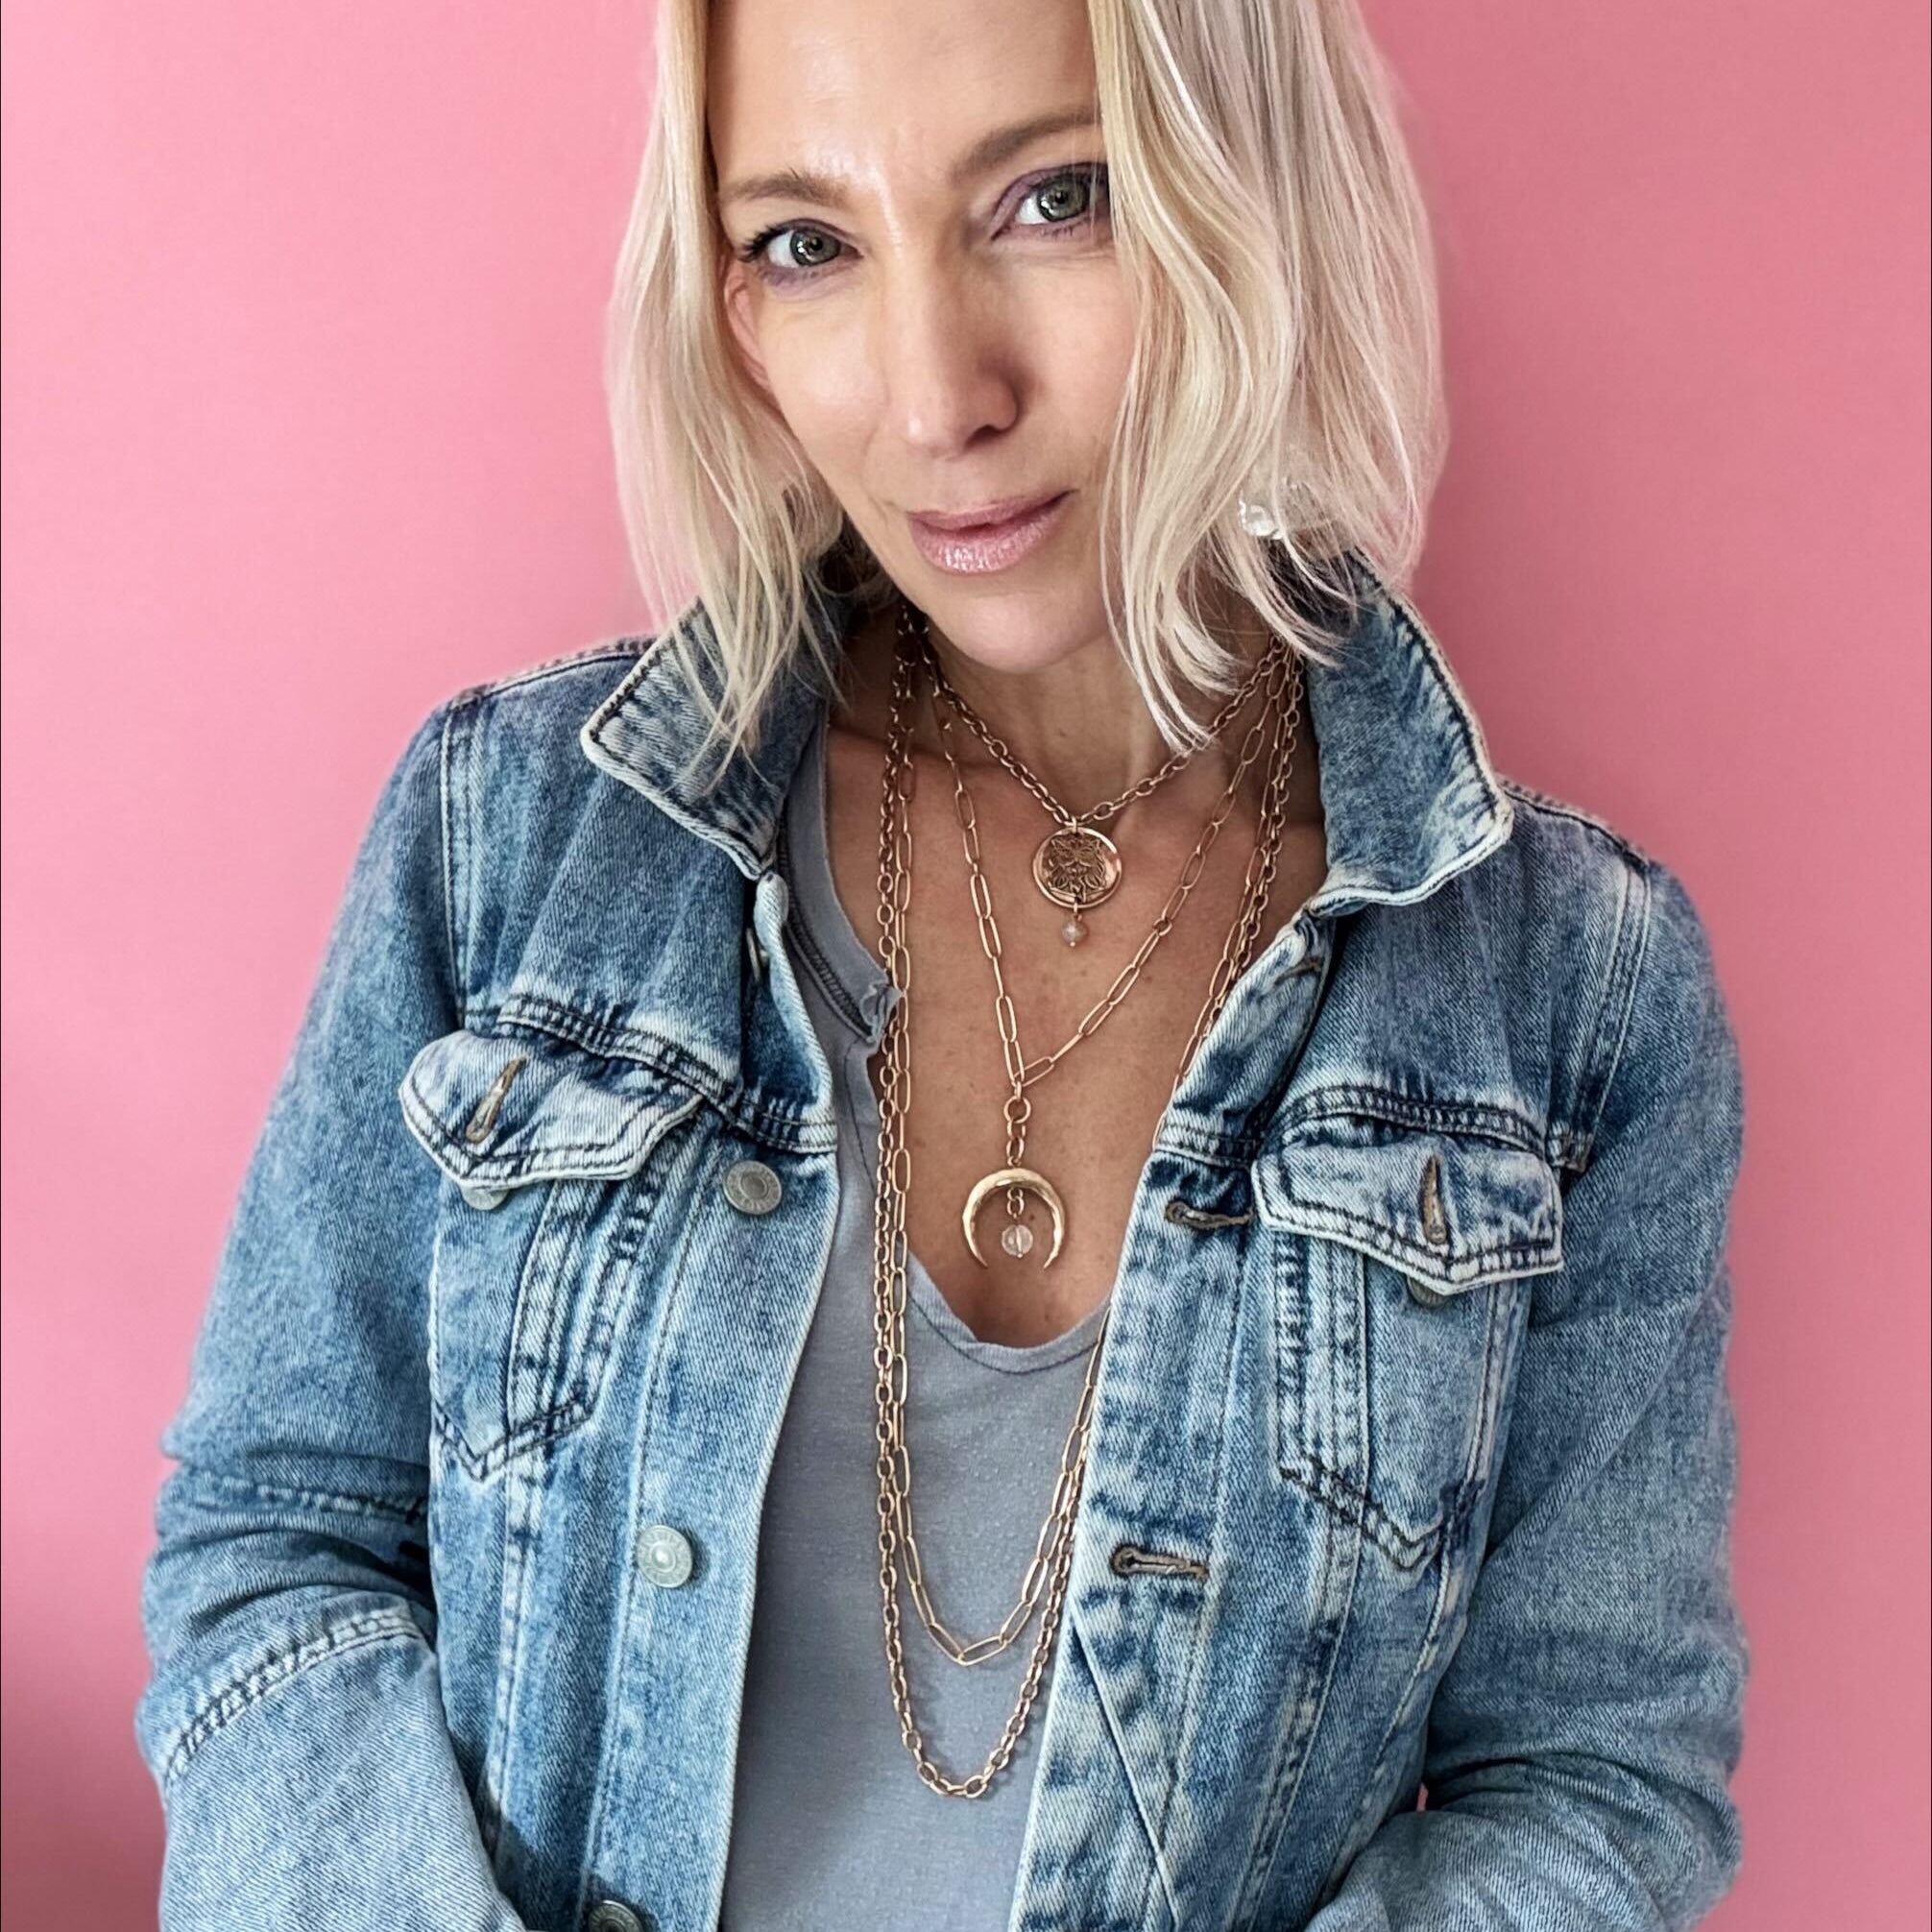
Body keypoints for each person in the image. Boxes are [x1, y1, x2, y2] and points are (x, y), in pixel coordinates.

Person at [134, 0, 1748, 1925]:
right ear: (725, 301)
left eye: (1054, 198)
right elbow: (272, 1550)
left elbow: (1589, 1776)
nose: (931, 395)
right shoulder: (510, 847)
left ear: (1251, 186)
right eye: (805, 242)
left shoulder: (1572, 996)